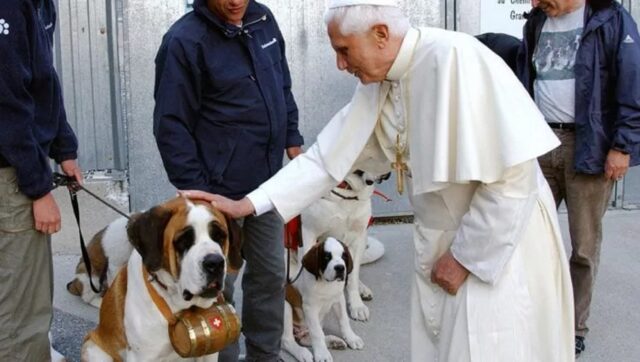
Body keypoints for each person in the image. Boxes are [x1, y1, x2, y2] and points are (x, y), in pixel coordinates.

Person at [183, 0, 576, 361]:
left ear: (381, 36)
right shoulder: (382, 81)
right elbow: (324, 160)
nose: (341, 64)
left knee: (493, 345)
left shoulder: (457, 59)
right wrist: (248, 204)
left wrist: (465, 258)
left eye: (343, 50)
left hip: (497, 241)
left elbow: (512, 180)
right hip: (445, 236)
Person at [153, 0, 304, 360]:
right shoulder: (184, 42)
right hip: (215, 194)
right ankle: (219, 354)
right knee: (217, 284)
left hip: (265, 189)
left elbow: (281, 86)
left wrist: (293, 138)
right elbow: (170, 124)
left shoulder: (262, 19)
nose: (237, 1)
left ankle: (263, 355)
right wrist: (197, 193)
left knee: (269, 276)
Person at [517, 0, 640, 356]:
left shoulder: (611, 18)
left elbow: (633, 83)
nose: (534, 3)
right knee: (526, 236)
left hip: (589, 144)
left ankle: (573, 327)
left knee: (583, 248)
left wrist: (622, 146)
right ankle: (530, 315)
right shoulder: (537, 21)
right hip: (538, 142)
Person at [0, 0, 82, 360]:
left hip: (17, 166)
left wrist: (64, 148)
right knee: (21, 315)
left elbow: (42, 79)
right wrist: (37, 189)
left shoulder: (40, 4)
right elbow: (6, 104)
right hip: (10, 175)